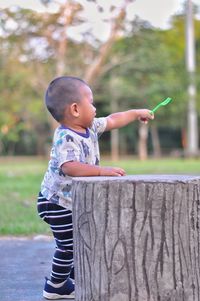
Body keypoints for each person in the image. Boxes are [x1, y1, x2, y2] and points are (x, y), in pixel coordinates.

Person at [37, 76, 154, 300]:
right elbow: (70, 167)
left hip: (71, 202)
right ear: (75, 109)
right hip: (56, 202)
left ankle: (76, 275)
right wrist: (101, 171)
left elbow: (113, 119)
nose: (95, 107)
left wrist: (136, 112)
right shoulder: (66, 136)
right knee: (69, 246)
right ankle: (56, 285)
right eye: (90, 102)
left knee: (81, 241)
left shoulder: (89, 127)